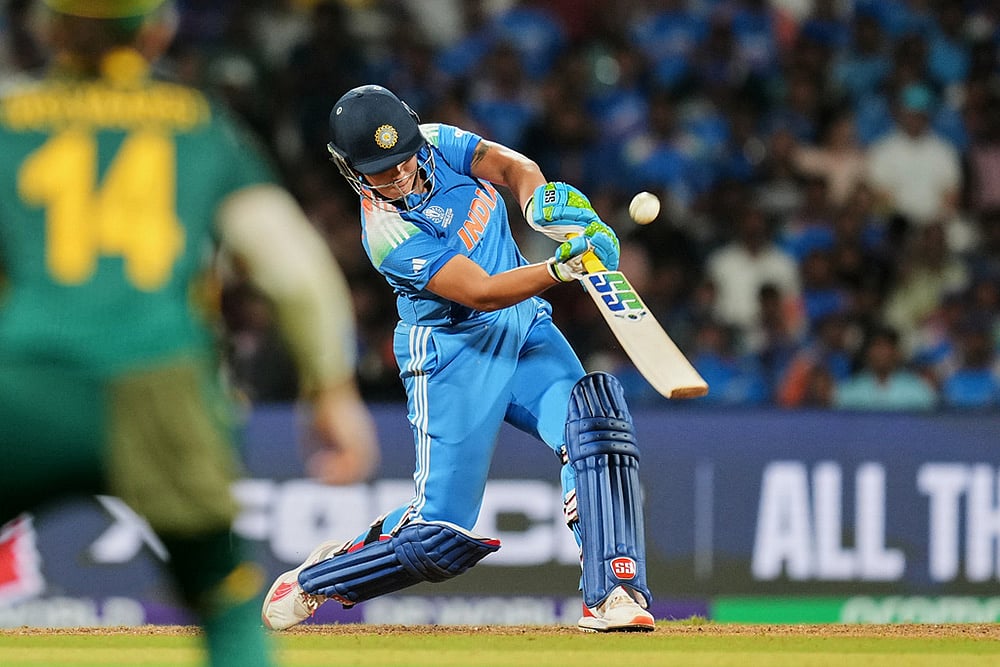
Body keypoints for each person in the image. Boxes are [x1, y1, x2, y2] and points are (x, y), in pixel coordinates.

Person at [0, 2, 378, 665]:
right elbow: (295, 273)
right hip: (162, 384)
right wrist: (332, 388)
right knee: (225, 604)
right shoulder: (201, 126)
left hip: (24, 384)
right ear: (157, 30)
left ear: (48, 29)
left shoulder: (7, 119)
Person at [261, 84, 655, 633]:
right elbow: (482, 291)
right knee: (438, 536)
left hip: (524, 328)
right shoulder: (387, 234)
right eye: (377, 169)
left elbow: (514, 167)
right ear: (347, 167)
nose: (396, 175)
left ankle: (614, 591)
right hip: (452, 354)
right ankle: (323, 577)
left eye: (400, 159)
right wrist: (563, 268)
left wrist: (542, 201)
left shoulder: (438, 142)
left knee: (596, 429)